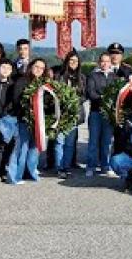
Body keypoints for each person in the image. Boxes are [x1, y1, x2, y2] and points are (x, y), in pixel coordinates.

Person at [10, 58, 49, 183]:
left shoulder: (45, 83)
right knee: (22, 148)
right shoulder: (22, 81)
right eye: (36, 66)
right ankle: (16, 175)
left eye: (42, 68)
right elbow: (16, 100)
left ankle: (31, 172)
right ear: (31, 66)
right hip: (23, 119)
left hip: (39, 121)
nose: (39, 70)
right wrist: (29, 110)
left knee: (34, 148)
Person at [54, 50, 86, 179]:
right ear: (66, 62)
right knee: (59, 141)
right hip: (60, 114)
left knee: (69, 143)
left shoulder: (82, 78)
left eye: (76, 61)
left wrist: (74, 101)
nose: (73, 63)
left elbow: (84, 95)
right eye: (71, 60)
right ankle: (58, 167)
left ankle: (66, 167)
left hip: (74, 113)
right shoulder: (59, 76)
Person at [85, 53, 116, 177]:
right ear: (99, 62)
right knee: (93, 141)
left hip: (109, 114)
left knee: (107, 141)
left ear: (110, 63)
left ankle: (105, 166)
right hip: (96, 113)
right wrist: (106, 98)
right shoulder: (93, 76)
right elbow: (91, 93)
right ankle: (91, 166)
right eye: (102, 61)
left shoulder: (115, 77)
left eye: (107, 61)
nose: (105, 64)